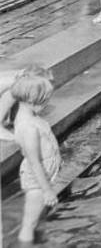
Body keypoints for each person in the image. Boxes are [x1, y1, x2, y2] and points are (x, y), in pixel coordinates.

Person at [12, 73, 61, 245]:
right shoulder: (28, 127)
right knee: (29, 223)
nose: (47, 103)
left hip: (44, 174)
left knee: (38, 216)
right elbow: (34, 162)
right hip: (36, 178)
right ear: (33, 99)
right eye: (45, 99)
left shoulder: (30, 116)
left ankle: (39, 241)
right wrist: (47, 190)